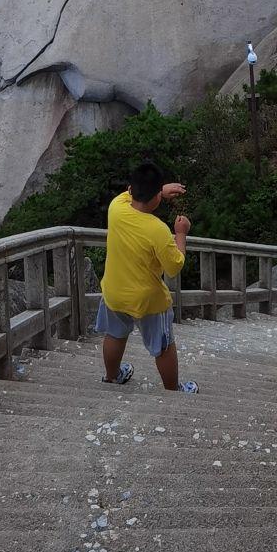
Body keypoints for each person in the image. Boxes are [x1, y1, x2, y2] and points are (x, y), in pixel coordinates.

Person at [95, 161, 198, 392]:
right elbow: (174, 266)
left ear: (132, 188)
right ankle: (173, 389)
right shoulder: (157, 230)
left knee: (114, 333)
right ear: (156, 198)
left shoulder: (116, 207)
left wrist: (158, 190)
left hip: (114, 291)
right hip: (148, 300)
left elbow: (133, 194)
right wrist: (181, 234)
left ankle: (112, 377)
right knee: (163, 345)